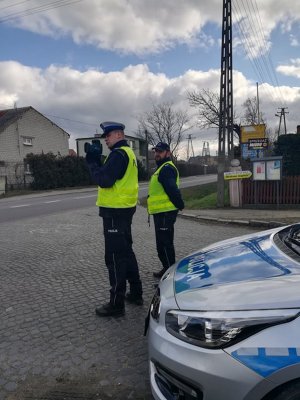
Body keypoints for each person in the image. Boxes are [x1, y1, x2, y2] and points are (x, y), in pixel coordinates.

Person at [86, 121, 143, 317]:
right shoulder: (127, 153)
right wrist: (100, 162)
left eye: (108, 136)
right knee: (126, 251)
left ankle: (116, 304)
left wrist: (92, 161)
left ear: (118, 134)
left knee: (115, 258)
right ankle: (136, 292)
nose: (106, 140)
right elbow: (113, 177)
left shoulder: (118, 154)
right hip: (125, 209)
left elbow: (104, 180)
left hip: (114, 212)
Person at [147, 142, 184, 278]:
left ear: (168, 153)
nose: (157, 154)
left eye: (160, 151)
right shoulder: (162, 167)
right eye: (156, 151)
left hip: (165, 213)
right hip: (161, 212)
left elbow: (172, 190)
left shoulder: (166, 168)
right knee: (161, 244)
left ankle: (170, 275)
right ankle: (166, 268)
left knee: (165, 244)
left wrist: (180, 204)